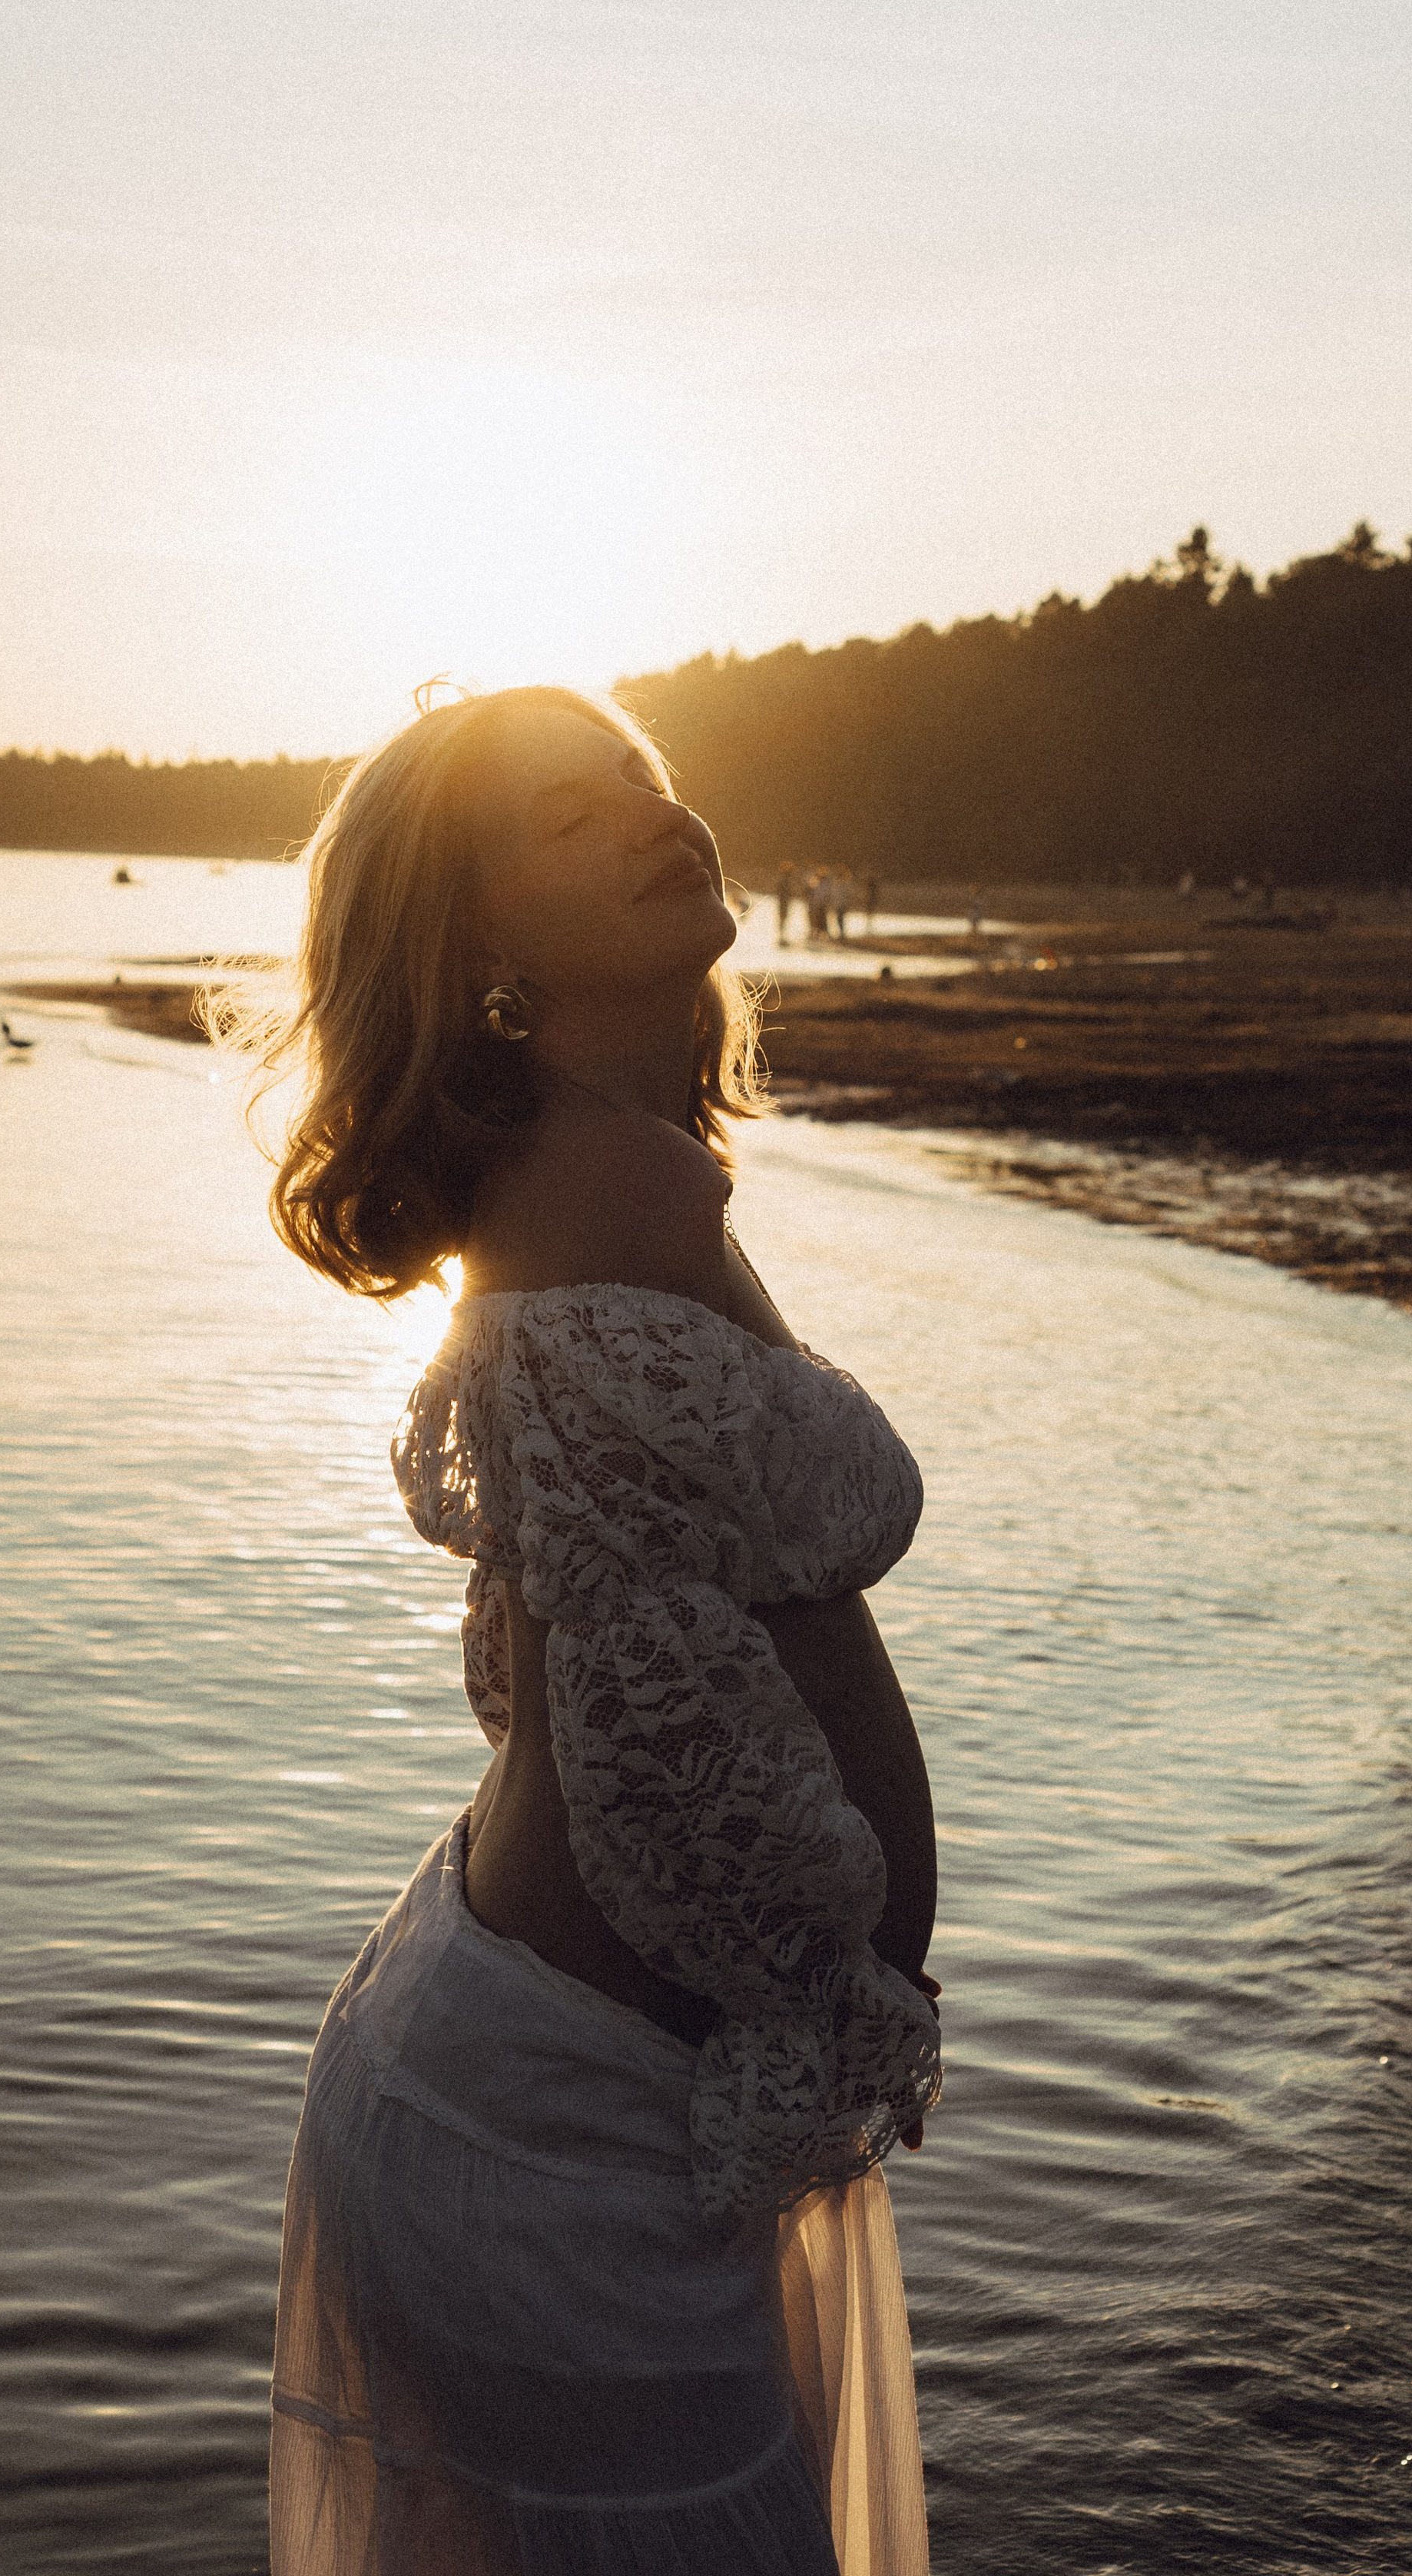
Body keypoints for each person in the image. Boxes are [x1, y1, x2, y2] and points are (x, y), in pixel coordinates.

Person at [231, 685, 941, 2576]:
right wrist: (829, 1974)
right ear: (477, 954)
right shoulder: (606, 1184)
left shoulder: (600, 1165)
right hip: (559, 2141)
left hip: (521, 2083)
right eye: (569, 812)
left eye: (642, 777)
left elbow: (666, 1644)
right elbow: (678, 1719)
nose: (649, 812)